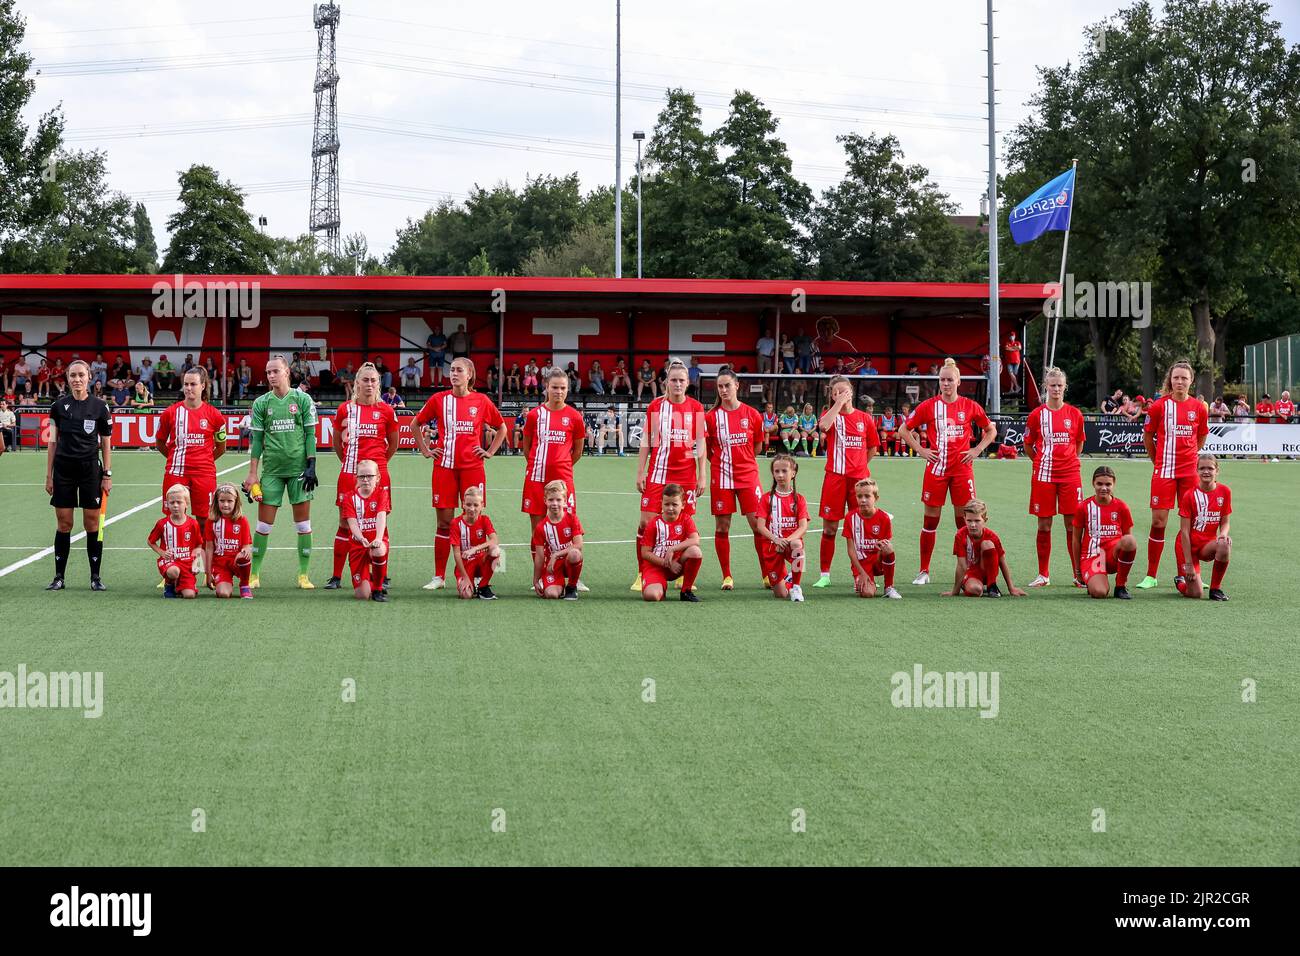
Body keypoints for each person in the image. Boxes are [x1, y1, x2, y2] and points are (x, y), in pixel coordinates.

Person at [897, 357, 997, 586]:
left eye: (950, 380)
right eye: (942, 380)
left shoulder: (970, 406)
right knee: (930, 522)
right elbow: (904, 429)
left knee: (965, 523)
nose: (946, 383)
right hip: (936, 470)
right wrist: (921, 450)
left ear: (959, 381)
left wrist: (977, 449)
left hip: (962, 471)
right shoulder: (928, 406)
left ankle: (970, 569)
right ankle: (924, 570)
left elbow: (990, 430)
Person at [414, 357, 506, 590]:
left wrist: (489, 452)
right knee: (444, 523)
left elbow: (502, 427)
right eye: (452, 370)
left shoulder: (481, 400)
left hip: (472, 469)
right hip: (444, 467)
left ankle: (477, 573)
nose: (454, 374)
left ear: (470, 375)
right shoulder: (438, 399)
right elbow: (416, 424)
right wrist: (425, 450)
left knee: (474, 519)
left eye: (459, 370)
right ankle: (439, 577)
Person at [242, 355, 319, 590]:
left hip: (298, 471)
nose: (271, 376)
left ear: (287, 371)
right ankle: (254, 574)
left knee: (303, 525)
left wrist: (311, 465)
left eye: (275, 371)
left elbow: (309, 435)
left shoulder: (303, 400)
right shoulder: (261, 403)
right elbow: (257, 440)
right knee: (263, 526)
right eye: (268, 372)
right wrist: (253, 474)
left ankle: (303, 575)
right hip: (272, 472)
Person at [326, 363, 400, 591]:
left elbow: (394, 444)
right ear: (357, 382)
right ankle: (337, 576)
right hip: (350, 474)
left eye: (373, 380)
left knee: (380, 523)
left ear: (379, 383)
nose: (369, 384)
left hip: (379, 476)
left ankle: (381, 572)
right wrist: (350, 464)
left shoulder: (387, 410)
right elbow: (337, 443)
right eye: (365, 380)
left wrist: (377, 468)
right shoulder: (345, 409)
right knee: (344, 523)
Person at [632, 360, 705, 591]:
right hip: (658, 473)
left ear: (688, 382)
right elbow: (647, 441)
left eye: (681, 380)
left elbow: (701, 444)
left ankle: (681, 572)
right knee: (645, 523)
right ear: (666, 382)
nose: (677, 384)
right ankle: (642, 571)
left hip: (686, 475)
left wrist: (702, 476)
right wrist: (640, 471)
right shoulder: (656, 406)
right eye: (673, 380)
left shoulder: (696, 408)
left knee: (682, 524)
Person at [1135, 361, 1207, 590]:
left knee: (1192, 525)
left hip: (1189, 473)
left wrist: (1192, 454)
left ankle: (1190, 573)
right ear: (1170, 380)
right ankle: (1151, 575)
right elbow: (1148, 437)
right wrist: (1157, 461)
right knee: (1158, 522)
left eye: (1184, 378)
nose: (1180, 382)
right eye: (1176, 378)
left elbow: (1202, 436)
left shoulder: (1198, 408)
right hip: (1164, 471)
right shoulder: (1158, 406)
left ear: (1191, 381)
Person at [44, 360, 112, 591]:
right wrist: (48, 475)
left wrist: (107, 474)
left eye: (81, 375)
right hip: (63, 470)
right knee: (64, 523)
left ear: (89, 376)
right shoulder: (58, 406)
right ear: (67, 378)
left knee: (92, 523)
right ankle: (59, 577)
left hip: (90, 470)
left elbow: (105, 443)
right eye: (73, 375)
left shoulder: (100, 407)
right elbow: (52, 442)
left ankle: (95, 577)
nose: (77, 379)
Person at [811, 376, 880, 589]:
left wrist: (859, 467)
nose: (842, 394)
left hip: (859, 481)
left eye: (845, 391)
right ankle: (825, 574)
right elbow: (822, 426)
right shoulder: (829, 416)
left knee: (859, 528)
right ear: (832, 395)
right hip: (834, 478)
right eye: (837, 392)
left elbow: (872, 448)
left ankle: (859, 575)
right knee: (830, 528)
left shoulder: (865, 418)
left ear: (852, 390)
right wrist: (838, 404)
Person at [521, 368, 587, 588]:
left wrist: (563, 466)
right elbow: (527, 447)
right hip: (536, 478)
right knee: (537, 528)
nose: (559, 392)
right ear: (546, 388)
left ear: (568, 390)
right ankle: (539, 576)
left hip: (563, 480)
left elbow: (577, 451)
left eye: (563, 388)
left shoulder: (575, 417)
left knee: (568, 526)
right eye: (554, 387)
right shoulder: (534, 415)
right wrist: (537, 465)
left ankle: (572, 577)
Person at [1023, 367, 1085, 588]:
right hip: (1043, 475)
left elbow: (1078, 443)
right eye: (1052, 385)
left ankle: (1078, 574)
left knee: (1073, 525)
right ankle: (1043, 574)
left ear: (1065, 387)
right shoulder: (1037, 415)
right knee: (1044, 525)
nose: (1056, 389)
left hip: (1070, 475)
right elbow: (1028, 446)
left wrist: (1067, 461)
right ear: (1046, 387)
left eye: (1060, 385)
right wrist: (1041, 463)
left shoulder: (1074, 414)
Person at [705, 367, 766, 590]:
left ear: (737, 386)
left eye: (727, 385)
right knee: (722, 527)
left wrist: (742, 462)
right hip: (721, 478)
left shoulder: (752, 414)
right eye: (719, 386)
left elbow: (758, 446)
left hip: (748, 477)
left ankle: (767, 574)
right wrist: (724, 465)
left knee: (758, 526)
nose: (723, 390)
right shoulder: (710, 418)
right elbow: (709, 450)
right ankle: (727, 576)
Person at [155, 367, 226, 536]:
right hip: (176, 472)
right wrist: (175, 459)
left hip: (204, 473)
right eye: (186, 384)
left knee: (204, 520)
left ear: (203, 386)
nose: (188, 388)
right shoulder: (170, 413)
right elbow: (159, 443)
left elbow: (221, 447)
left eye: (193, 384)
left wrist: (204, 461)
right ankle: (178, 558)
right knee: (175, 517)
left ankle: (200, 559)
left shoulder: (215, 415)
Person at [1072, 465, 1138, 600]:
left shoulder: (1122, 507)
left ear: (1114, 484)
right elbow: (1076, 540)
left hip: (1112, 555)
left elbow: (1127, 537)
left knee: (1130, 541)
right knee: (1100, 593)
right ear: (1093, 484)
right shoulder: (1083, 507)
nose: (1103, 488)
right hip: (1093, 556)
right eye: (1099, 484)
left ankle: (1120, 586)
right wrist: (1077, 570)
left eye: (1108, 484)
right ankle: (1094, 581)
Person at [1175, 455, 1232, 601]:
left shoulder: (1225, 492)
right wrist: (1188, 563)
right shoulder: (1189, 495)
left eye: (1210, 468)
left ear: (1217, 470)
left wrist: (1223, 534)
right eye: (1202, 468)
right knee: (1196, 594)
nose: (1206, 472)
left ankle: (1215, 590)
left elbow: (1225, 522)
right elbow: (1185, 532)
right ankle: (1181, 582)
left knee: (1224, 544)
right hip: (1187, 546)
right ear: (1197, 470)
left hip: (1207, 544)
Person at [942, 499, 1026, 597]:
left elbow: (1002, 562)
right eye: (969, 521)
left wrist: (1011, 588)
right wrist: (955, 591)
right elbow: (962, 566)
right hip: (972, 574)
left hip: (989, 571)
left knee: (987, 544)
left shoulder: (992, 536)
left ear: (985, 520)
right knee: (975, 590)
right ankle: (974, 585)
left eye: (977, 521)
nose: (973, 525)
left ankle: (992, 586)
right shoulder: (960, 535)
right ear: (964, 519)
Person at [754, 454, 809, 601]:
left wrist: (786, 541)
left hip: (789, 544)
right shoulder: (766, 498)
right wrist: (776, 539)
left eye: (784, 471)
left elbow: (803, 526)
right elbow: (760, 526)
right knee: (781, 594)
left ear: (793, 473)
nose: (780, 475)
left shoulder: (799, 499)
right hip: (771, 547)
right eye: (776, 471)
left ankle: (796, 586)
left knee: (798, 544)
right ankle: (788, 578)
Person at [638, 483, 703, 602]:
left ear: (683, 505)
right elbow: (645, 553)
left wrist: (672, 549)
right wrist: (666, 563)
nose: (670, 508)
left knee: (695, 551)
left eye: (674, 504)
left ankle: (686, 591)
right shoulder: (654, 523)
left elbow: (695, 540)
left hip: (677, 564)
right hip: (656, 567)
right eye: (666, 504)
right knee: (652, 596)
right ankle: (659, 587)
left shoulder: (686, 519)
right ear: (661, 503)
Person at [340, 458, 390, 602]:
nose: (366, 480)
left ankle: (378, 589)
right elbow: (352, 522)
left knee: (379, 550)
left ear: (378, 477)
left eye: (370, 476)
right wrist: (361, 538)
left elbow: (381, 517)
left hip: (376, 542)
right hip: (358, 546)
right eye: (362, 476)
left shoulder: (381, 494)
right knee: (362, 596)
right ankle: (370, 578)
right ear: (356, 477)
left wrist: (378, 539)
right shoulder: (349, 497)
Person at [844, 478, 901, 599]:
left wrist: (881, 552)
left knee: (888, 548)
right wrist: (862, 573)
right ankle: (865, 582)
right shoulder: (850, 517)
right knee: (867, 593)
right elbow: (851, 551)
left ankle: (889, 587)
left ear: (876, 498)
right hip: (861, 564)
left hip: (877, 560)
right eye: (859, 496)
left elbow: (885, 546)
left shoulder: (884, 518)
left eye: (867, 496)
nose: (863, 500)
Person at [532, 479, 585, 600]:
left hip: (567, 560)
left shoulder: (572, 519)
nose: (555, 503)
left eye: (558, 500)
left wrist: (556, 554)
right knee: (551, 594)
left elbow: (578, 545)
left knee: (575, 554)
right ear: (545, 501)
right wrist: (535, 580)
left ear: (565, 501)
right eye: (551, 500)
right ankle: (559, 586)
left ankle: (571, 587)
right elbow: (539, 556)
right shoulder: (541, 527)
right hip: (552, 566)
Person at [148, 485, 202, 599]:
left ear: (186, 504)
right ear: (167, 504)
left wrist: (197, 561)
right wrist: (162, 553)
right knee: (173, 571)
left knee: (189, 595)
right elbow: (150, 541)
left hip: (187, 563)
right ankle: (169, 584)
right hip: (169, 561)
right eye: (172, 502)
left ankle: (180, 585)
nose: (175, 505)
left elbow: (199, 544)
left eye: (179, 502)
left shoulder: (193, 524)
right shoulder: (162, 524)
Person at [449, 485, 501, 600]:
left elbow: (494, 540)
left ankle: (483, 586)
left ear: (482, 505)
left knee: (496, 550)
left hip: (480, 560)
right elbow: (456, 554)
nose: (472, 509)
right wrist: (465, 577)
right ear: (463, 504)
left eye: (476, 505)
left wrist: (474, 549)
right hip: (465, 565)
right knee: (466, 595)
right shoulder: (456, 523)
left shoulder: (485, 520)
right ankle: (471, 581)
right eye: (468, 505)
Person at [204, 483, 254, 599]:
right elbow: (209, 548)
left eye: (229, 501)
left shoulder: (242, 520)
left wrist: (245, 551)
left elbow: (246, 546)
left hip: (236, 561)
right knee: (223, 594)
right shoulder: (211, 521)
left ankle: (244, 585)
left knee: (244, 555)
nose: (225, 504)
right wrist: (208, 573)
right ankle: (224, 580)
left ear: (236, 502)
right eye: (222, 501)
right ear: (216, 502)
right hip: (220, 564)